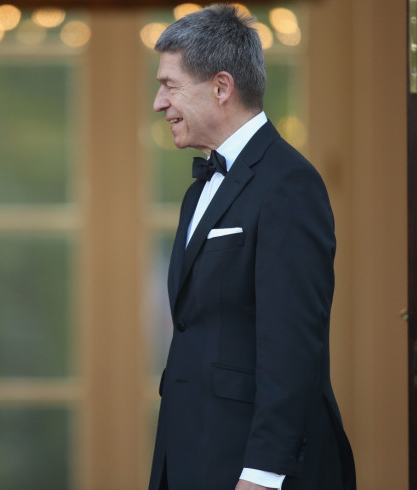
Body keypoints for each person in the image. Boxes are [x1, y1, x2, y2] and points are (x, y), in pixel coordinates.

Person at [148, 5, 355, 490]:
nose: (159, 103)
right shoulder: (199, 191)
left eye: (170, 85)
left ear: (222, 87)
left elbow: (293, 346)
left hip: (252, 469)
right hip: (189, 457)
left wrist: (263, 473)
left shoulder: (290, 184)